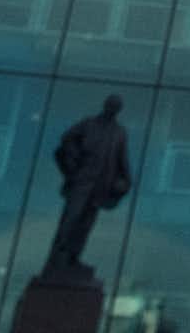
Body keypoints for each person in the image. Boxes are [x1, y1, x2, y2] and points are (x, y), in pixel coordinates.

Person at [46, 95, 133, 273]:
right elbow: (67, 139)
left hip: (100, 186)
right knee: (71, 219)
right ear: (105, 105)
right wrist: (73, 165)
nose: (112, 109)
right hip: (82, 181)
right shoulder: (88, 124)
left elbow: (121, 159)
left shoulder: (119, 132)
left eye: (116, 107)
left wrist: (126, 181)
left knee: (86, 224)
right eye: (111, 105)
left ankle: (73, 257)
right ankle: (58, 257)